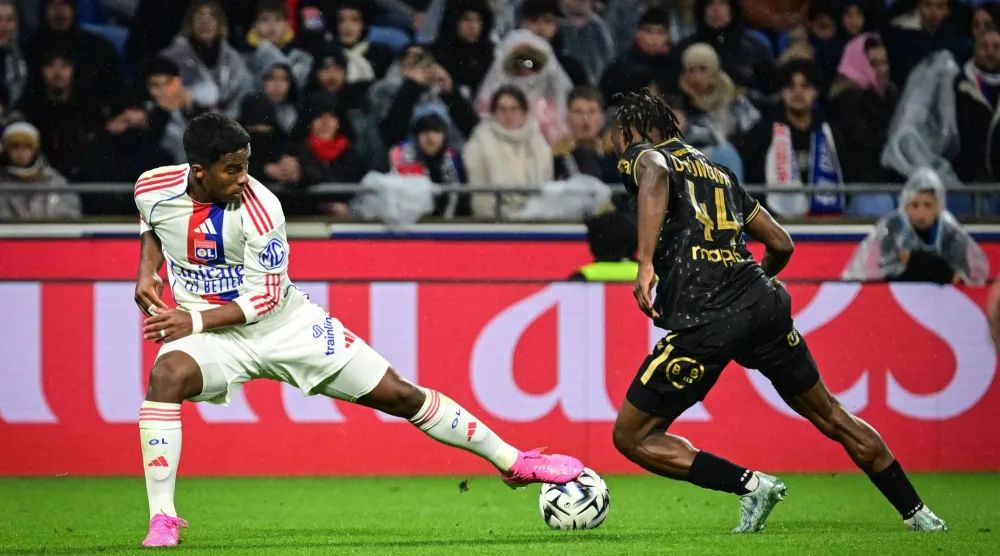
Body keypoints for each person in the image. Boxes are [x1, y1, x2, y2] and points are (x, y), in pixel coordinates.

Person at [133, 113, 585, 547]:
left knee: (400, 395)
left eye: (246, 165)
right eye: (231, 170)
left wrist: (189, 318)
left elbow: (264, 298)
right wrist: (146, 271)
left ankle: (514, 461)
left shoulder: (262, 208)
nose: (243, 178)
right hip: (212, 337)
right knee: (166, 378)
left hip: (284, 325)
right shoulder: (151, 187)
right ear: (198, 171)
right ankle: (163, 518)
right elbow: (152, 223)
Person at [608, 90, 947, 534]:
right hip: (762, 303)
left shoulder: (646, 155)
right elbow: (782, 243)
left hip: (708, 316)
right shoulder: (719, 172)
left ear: (632, 131)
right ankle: (919, 514)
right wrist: (756, 285)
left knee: (631, 437)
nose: (615, 146)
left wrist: (646, 261)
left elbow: (652, 170)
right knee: (830, 413)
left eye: (616, 136)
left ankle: (752, 486)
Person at [842, 167, 988, 285]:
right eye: (915, 205)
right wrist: (938, 270)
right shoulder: (893, 228)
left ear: (938, 207)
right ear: (906, 206)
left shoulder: (951, 232)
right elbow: (890, 276)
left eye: (927, 205)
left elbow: (960, 278)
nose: (921, 213)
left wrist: (914, 260)